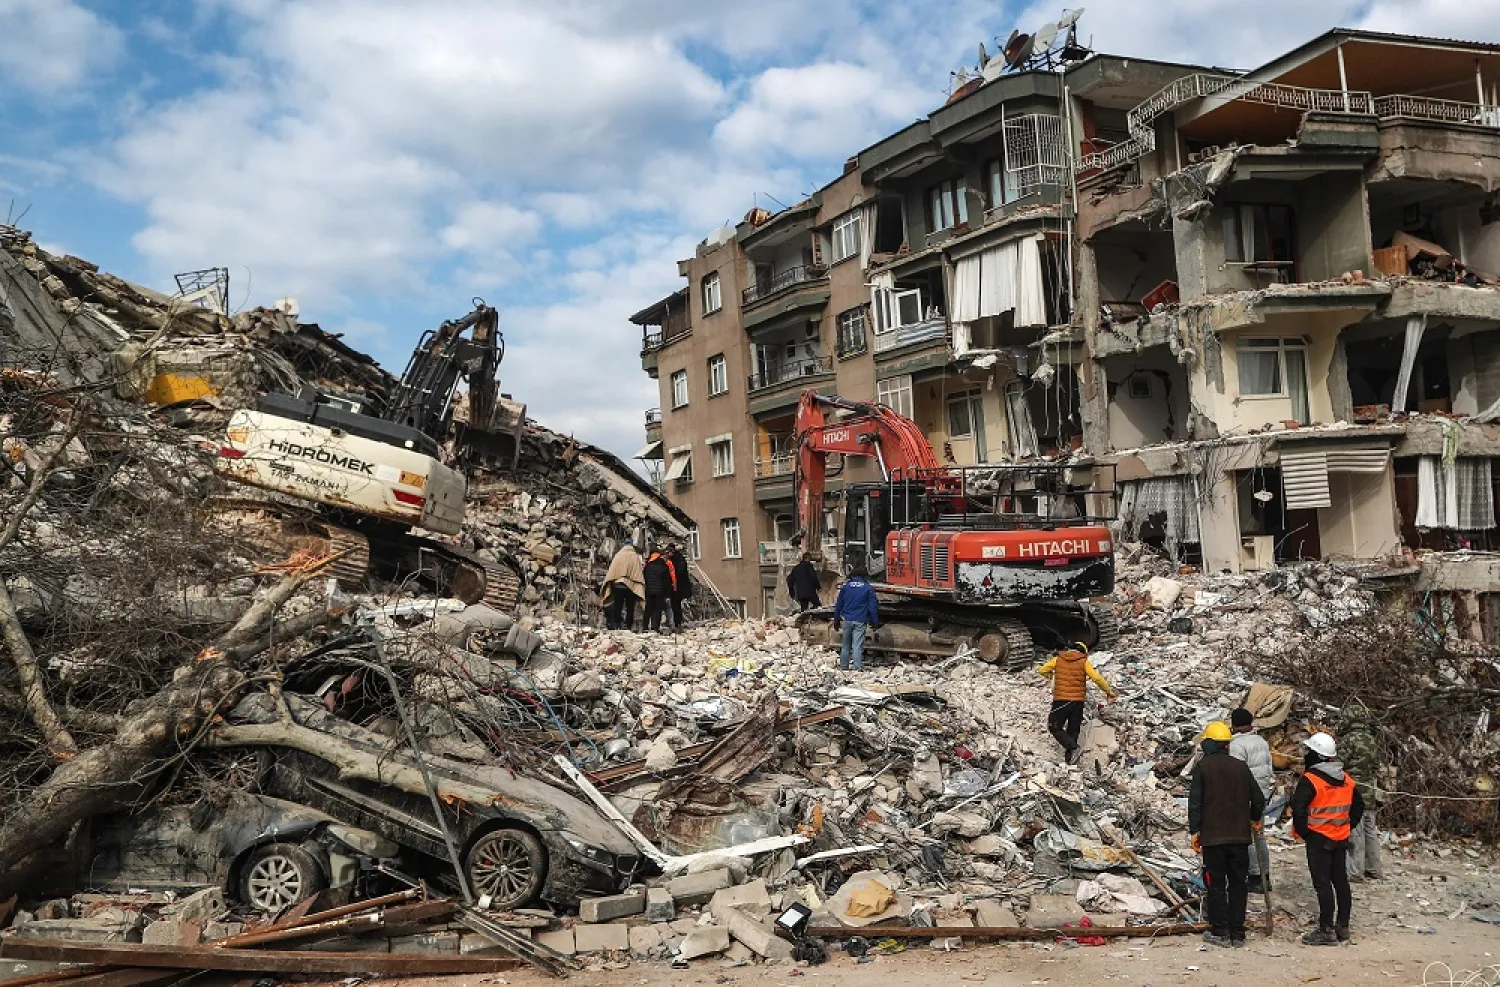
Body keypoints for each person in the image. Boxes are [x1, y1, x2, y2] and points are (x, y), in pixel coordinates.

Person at [1189, 720, 1266, 948]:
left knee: (1216, 885)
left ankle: (1220, 931)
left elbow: (1195, 804)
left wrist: (1195, 831)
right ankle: (1237, 932)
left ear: (1210, 744)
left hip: (1213, 839)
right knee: (1238, 885)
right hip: (1240, 839)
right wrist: (1253, 818)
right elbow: (1259, 799)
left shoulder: (1203, 768)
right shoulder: (1241, 766)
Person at [1292, 731, 1365, 946]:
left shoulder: (1311, 780)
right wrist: (1347, 824)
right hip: (1339, 838)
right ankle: (1342, 926)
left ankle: (1326, 930)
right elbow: (1358, 805)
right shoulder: (1345, 778)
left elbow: (1298, 808)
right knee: (1340, 881)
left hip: (1318, 838)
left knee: (1322, 884)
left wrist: (1305, 832)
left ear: (1315, 754)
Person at [1036, 643, 1117, 757]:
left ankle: (1073, 747)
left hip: (1061, 700)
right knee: (1073, 729)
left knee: (1054, 726)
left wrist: (1053, 677)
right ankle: (1070, 756)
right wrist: (1109, 692)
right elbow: (1097, 678)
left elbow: (1042, 670)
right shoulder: (1083, 662)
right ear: (1084, 652)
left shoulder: (1058, 659)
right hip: (1078, 702)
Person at [1229, 706, 1276, 892]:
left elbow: (1235, 774)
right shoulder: (1262, 742)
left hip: (1245, 797)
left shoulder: (1236, 745)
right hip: (1261, 795)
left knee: (1246, 837)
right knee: (1259, 834)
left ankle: (1255, 876)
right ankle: (1265, 876)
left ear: (1234, 725)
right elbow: (1269, 769)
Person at [1339, 701, 1384, 882]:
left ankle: (1355, 871)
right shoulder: (1371, 740)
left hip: (1352, 793)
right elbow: (1375, 767)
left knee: (1355, 834)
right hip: (1369, 792)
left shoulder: (1349, 740)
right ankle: (1374, 868)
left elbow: (1339, 764)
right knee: (1370, 832)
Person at [831, 564, 879, 672]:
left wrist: (836, 619)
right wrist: (874, 623)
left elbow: (839, 604)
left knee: (846, 645)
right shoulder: (867, 588)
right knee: (857, 645)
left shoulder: (846, 587)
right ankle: (857, 668)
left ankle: (844, 666)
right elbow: (872, 607)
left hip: (847, 619)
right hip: (860, 620)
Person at [600, 542, 644, 630]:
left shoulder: (618, 555)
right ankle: (628, 625)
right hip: (631, 586)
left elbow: (613, 570)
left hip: (618, 585)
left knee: (618, 606)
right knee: (630, 606)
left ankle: (617, 624)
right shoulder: (634, 556)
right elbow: (638, 572)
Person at [642, 548, 676, 633]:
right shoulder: (664, 567)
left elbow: (644, 579)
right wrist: (668, 595)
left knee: (648, 609)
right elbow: (667, 583)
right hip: (660, 593)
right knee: (657, 610)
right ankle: (655, 627)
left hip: (649, 592)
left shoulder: (648, 567)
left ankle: (645, 626)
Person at [666, 542, 694, 632]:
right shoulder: (679, 559)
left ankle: (677, 623)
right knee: (675, 605)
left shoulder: (676, 560)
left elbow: (679, 573)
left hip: (677, 587)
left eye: (669, 551)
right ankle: (677, 623)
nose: (668, 553)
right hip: (678, 586)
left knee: (675, 605)